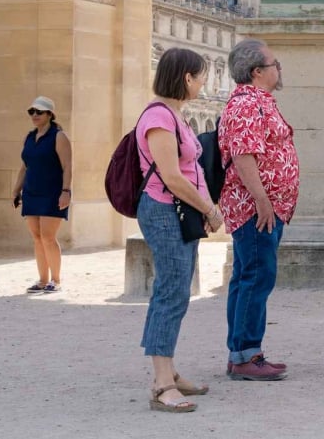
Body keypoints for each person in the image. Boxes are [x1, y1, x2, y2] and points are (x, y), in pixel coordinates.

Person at [137, 49, 223, 412]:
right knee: (170, 292)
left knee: (176, 291)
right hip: (163, 210)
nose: (204, 82)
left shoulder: (174, 116)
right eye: (201, 76)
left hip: (176, 211)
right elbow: (171, 176)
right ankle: (160, 384)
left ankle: (169, 373)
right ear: (186, 78)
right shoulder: (159, 117)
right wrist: (208, 207)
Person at [219, 39, 300, 382]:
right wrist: (263, 200)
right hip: (256, 209)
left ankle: (242, 351)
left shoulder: (258, 102)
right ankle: (246, 355)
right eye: (274, 64)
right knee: (256, 277)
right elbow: (242, 155)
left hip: (263, 207)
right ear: (256, 72)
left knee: (248, 276)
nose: (278, 69)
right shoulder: (247, 104)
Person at [11, 96, 72, 293]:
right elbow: (24, 167)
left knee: (48, 236)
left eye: (39, 112)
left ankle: (56, 280)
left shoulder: (59, 136)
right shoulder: (29, 137)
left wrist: (66, 192)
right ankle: (42, 280)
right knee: (37, 237)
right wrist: (16, 190)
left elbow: (67, 166)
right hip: (31, 191)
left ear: (49, 114)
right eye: (32, 112)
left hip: (52, 192)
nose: (35, 115)